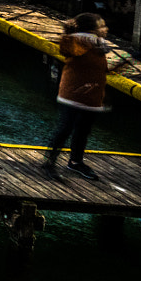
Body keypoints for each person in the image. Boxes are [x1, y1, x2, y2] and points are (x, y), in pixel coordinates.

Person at [43, 13, 112, 180]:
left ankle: (75, 161)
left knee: (83, 130)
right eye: (101, 26)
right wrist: (89, 39)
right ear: (90, 30)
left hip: (92, 96)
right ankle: (49, 162)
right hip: (72, 93)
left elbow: (108, 68)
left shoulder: (101, 46)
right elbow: (68, 48)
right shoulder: (77, 42)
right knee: (65, 128)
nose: (106, 29)